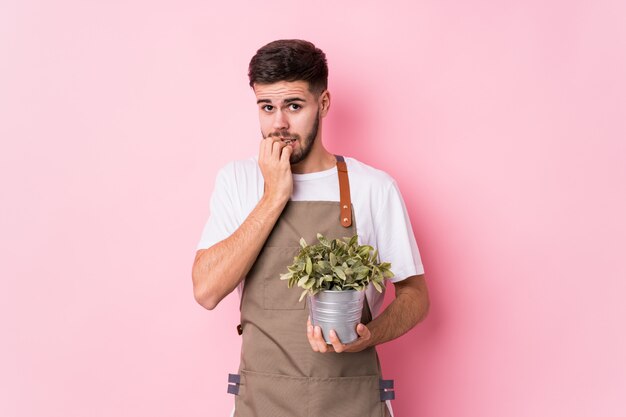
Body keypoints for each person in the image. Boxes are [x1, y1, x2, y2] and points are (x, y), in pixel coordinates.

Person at [192, 39, 430, 417]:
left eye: (294, 106)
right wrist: (273, 196)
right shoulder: (237, 181)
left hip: (351, 401)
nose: (279, 123)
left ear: (323, 104)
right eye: (267, 107)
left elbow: (416, 296)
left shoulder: (372, 186)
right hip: (262, 403)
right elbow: (206, 290)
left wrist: (371, 336)